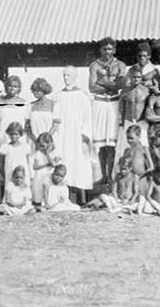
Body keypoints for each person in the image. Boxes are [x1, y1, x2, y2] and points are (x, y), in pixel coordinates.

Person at [88, 37, 127, 186]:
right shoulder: (94, 65)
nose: (107, 52)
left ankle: (111, 175)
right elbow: (92, 87)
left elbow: (122, 84)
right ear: (100, 50)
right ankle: (103, 175)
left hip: (114, 103)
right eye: (105, 49)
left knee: (112, 142)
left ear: (115, 50)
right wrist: (112, 85)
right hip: (99, 102)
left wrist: (103, 82)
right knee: (100, 142)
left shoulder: (120, 65)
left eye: (110, 49)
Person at [53, 66, 95, 202]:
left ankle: (82, 198)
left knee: (79, 164)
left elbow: (88, 119)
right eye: (64, 75)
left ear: (76, 77)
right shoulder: (58, 96)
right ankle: (65, 196)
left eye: (69, 75)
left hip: (78, 137)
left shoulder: (83, 96)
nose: (66, 78)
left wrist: (84, 139)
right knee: (64, 162)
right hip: (63, 137)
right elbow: (56, 118)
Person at [114, 67, 151, 175]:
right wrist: (121, 124)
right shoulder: (125, 92)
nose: (136, 79)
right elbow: (121, 108)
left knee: (143, 149)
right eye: (134, 77)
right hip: (128, 121)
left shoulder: (146, 91)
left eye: (139, 77)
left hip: (141, 123)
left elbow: (148, 107)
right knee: (125, 150)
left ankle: (143, 174)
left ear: (141, 78)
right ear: (130, 77)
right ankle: (123, 175)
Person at [0, 75, 29, 146]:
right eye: (10, 86)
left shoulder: (24, 104)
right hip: (2, 138)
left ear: (19, 88)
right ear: (6, 87)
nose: (12, 89)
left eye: (15, 86)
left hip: (18, 138)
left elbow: (26, 122)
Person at [0, 121, 30, 198]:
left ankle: (23, 201)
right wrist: (1, 173)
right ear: (8, 134)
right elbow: (1, 162)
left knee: (22, 186)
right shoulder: (5, 147)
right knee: (10, 186)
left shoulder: (25, 147)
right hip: (9, 170)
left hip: (22, 170)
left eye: (16, 134)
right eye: (11, 134)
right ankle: (9, 201)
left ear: (20, 134)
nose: (13, 136)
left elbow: (27, 161)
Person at [30, 132, 62, 208]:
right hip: (40, 174)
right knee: (39, 190)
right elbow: (35, 167)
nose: (42, 148)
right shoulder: (39, 153)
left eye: (43, 146)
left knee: (48, 189)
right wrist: (45, 165)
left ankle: (48, 204)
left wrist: (48, 154)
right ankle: (38, 204)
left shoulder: (54, 153)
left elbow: (54, 164)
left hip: (49, 174)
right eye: (40, 146)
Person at [26, 78, 58, 145]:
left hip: (49, 141)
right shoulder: (30, 106)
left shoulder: (53, 105)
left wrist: (46, 139)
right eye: (33, 90)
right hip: (34, 141)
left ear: (44, 90)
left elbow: (55, 125)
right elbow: (27, 126)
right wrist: (35, 139)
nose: (35, 92)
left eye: (37, 90)